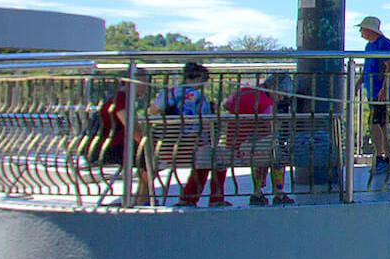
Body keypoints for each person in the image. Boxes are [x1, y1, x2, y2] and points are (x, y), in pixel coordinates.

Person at [226, 74, 294, 205]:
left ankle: (257, 192)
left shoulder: (243, 91)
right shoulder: (266, 103)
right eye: (281, 94)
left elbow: (226, 105)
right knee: (278, 156)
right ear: (273, 88)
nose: (281, 99)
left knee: (263, 153)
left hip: (234, 146)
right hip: (250, 148)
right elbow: (270, 129)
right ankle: (279, 194)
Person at [164, 63, 224, 207]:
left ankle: (188, 198)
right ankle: (215, 199)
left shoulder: (168, 93)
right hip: (191, 148)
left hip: (168, 148)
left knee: (206, 157)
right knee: (219, 158)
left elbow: (153, 111)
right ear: (198, 78)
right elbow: (207, 124)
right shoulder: (198, 98)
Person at [96, 79, 154, 204]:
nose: (146, 88)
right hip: (109, 148)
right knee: (149, 159)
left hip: (107, 145)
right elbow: (132, 127)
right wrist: (144, 144)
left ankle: (142, 199)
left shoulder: (117, 97)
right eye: (144, 83)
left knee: (146, 157)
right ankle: (143, 201)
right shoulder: (122, 99)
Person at [356, 16, 390, 186]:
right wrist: (359, 83)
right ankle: (387, 158)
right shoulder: (369, 46)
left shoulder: (385, 44)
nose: (360, 32)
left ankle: (381, 156)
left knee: (376, 122)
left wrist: (384, 88)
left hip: (383, 92)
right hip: (373, 90)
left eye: (362, 29)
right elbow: (367, 69)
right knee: (380, 123)